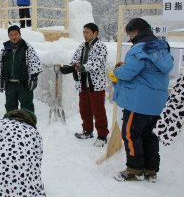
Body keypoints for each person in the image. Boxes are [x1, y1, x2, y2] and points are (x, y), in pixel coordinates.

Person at [109, 18, 173, 182]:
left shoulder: (140, 49)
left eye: (130, 33)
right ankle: (150, 169)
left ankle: (134, 168)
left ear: (137, 31)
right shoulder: (160, 47)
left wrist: (117, 71)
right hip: (156, 102)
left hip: (138, 102)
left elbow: (128, 73)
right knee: (147, 134)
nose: (129, 38)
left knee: (130, 133)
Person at [70, 23, 109, 147]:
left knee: (98, 111)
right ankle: (87, 130)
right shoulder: (82, 46)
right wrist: (73, 65)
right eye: (84, 32)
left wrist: (82, 67)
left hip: (96, 85)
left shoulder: (101, 46)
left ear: (95, 33)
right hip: (83, 84)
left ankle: (102, 135)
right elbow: (74, 58)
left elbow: (97, 62)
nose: (85, 34)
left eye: (87, 32)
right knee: (84, 109)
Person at [0, 25, 43, 113]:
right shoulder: (5, 50)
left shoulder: (27, 48)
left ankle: (28, 125)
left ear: (20, 34)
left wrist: (34, 78)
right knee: (10, 108)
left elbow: (35, 63)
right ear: (8, 36)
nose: (14, 37)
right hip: (10, 84)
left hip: (24, 84)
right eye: (11, 35)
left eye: (15, 34)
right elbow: (0, 65)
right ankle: (12, 125)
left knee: (27, 107)